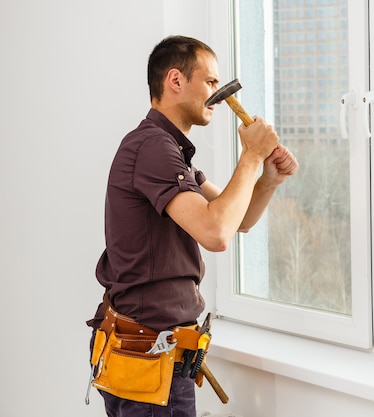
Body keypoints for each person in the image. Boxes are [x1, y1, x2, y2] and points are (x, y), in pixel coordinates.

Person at [86, 35, 298, 416]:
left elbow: (238, 220)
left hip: (156, 356)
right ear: (176, 81)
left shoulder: (170, 152)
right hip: (150, 359)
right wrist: (250, 155)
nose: (217, 92)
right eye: (211, 81)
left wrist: (267, 179)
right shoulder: (152, 147)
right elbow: (215, 234)